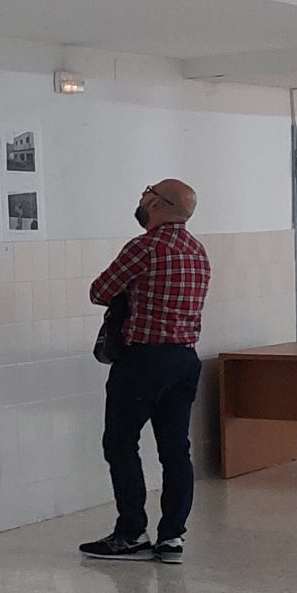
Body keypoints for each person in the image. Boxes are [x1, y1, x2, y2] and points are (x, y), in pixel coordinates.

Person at [82, 179, 212, 563]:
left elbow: (99, 291)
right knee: (176, 450)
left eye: (146, 192)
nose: (141, 197)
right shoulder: (197, 249)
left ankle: (131, 533)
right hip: (185, 359)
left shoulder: (145, 247)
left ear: (158, 204)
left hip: (144, 360)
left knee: (120, 444)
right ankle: (172, 538)